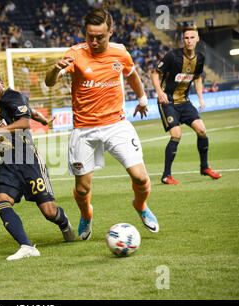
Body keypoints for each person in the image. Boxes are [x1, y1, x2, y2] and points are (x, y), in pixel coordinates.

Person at [45, 8, 159, 240]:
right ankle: (86, 215)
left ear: (111, 32)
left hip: (116, 124)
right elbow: (50, 83)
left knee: (141, 178)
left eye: (100, 37)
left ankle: (140, 205)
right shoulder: (74, 54)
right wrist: (55, 69)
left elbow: (133, 76)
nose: (94, 41)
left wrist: (142, 99)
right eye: (90, 36)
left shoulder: (120, 53)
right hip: (84, 130)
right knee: (82, 189)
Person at [0, 71, 75, 261]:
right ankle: (27, 246)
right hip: (8, 163)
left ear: (1, 83)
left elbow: (24, 121)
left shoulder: (12, 96)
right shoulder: (3, 102)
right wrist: (43, 119)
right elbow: (29, 111)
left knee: (49, 212)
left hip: (28, 161)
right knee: (1, 200)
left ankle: (63, 223)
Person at [151, 25, 221, 185]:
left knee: (202, 130)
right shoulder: (172, 56)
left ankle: (205, 167)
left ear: (198, 39)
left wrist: (201, 98)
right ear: (182, 40)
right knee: (176, 134)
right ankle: (166, 175)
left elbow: (197, 77)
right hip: (167, 101)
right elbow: (155, 73)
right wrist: (159, 92)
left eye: (192, 37)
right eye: (186, 38)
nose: (189, 41)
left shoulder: (200, 57)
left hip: (185, 101)